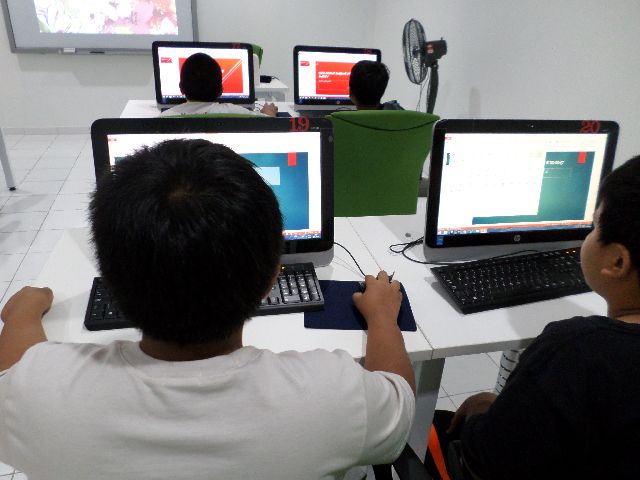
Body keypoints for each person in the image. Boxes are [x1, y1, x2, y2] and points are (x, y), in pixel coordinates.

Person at [0, 139, 415, 480]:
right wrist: (382, 318)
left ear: (109, 277)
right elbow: (399, 401)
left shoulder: (40, 396)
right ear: (273, 277)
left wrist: (21, 315)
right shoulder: (332, 394)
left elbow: (15, 370)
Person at [427, 155, 640, 480]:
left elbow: (483, 460)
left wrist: (486, 410)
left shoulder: (576, 349)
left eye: (595, 226)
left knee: (433, 423)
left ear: (617, 262)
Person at [160, 52, 278, 117]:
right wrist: (268, 112)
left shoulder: (165, 118)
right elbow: (268, 123)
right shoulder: (234, 113)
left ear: (181, 88)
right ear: (221, 90)